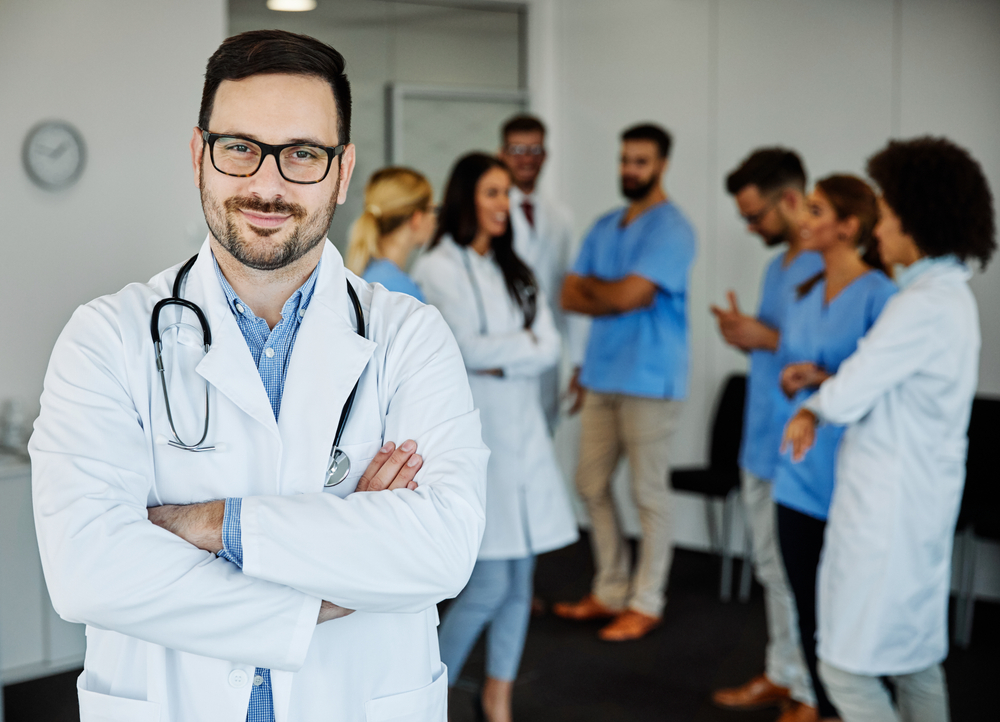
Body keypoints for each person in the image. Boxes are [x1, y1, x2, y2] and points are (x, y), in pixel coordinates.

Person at [29, 30, 488, 722]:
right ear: (199, 157)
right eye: (239, 147)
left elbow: (442, 549)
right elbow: (87, 570)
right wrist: (332, 578)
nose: (266, 184)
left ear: (342, 171)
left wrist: (213, 525)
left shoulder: (409, 338)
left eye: (302, 154)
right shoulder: (106, 337)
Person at [784, 137, 996, 722]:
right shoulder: (943, 298)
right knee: (916, 662)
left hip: (889, 515)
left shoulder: (921, 305)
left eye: (889, 215)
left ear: (918, 219)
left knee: (844, 670)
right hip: (913, 507)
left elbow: (851, 393)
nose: (879, 230)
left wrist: (811, 406)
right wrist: (830, 386)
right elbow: (882, 381)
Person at [412, 153, 578, 722]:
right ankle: (421, 694)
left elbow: (549, 346)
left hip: (526, 435)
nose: (503, 205)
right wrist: (519, 350)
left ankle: (498, 696)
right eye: (492, 193)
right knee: (487, 584)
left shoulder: (518, 267)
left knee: (519, 580)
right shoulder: (438, 267)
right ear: (466, 198)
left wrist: (505, 353)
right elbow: (464, 348)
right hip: (479, 435)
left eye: (506, 193)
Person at [553, 123, 697, 642]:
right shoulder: (606, 224)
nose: (629, 170)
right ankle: (610, 589)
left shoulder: (673, 229)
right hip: (602, 375)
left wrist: (603, 291)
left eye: (640, 161)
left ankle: (646, 600)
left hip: (651, 381)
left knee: (647, 493)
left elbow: (626, 298)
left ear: (661, 165)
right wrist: (605, 292)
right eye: (625, 160)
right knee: (589, 484)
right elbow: (570, 295)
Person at [774, 175, 896, 722]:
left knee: (856, 621)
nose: (802, 216)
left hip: (849, 481)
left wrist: (823, 379)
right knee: (807, 606)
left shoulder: (882, 297)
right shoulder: (803, 290)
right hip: (797, 473)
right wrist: (796, 379)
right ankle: (821, 706)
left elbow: (883, 389)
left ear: (848, 227)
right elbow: (797, 372)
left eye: (816, 209)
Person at [710, 148, 821, 717]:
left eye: (757, 217)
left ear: (791, 199)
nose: (752, 229)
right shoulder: (777, 266)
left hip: (802, 450)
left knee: (801, 574)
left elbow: (838, 359)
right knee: (770, 569)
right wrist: (745, 334)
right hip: (760, 440)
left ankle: (810, 692)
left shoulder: (833, 266)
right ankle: (783, 673)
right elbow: (774, 343)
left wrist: (766, 337)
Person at [498, 114, 588, 428]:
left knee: (541, 443)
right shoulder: (490, 211)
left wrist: (579, 361)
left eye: (534, 150)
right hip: (501, 349)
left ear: (545, 155)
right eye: (518, 150)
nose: (526, 159)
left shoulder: (560, 217)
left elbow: (569, 290)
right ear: (503, 154)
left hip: (545, 352)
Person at [345, 166, 436, 301]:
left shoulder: (366, 275)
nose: (434, 217)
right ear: (417, 218)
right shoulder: (403, 294)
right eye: (432, 209)